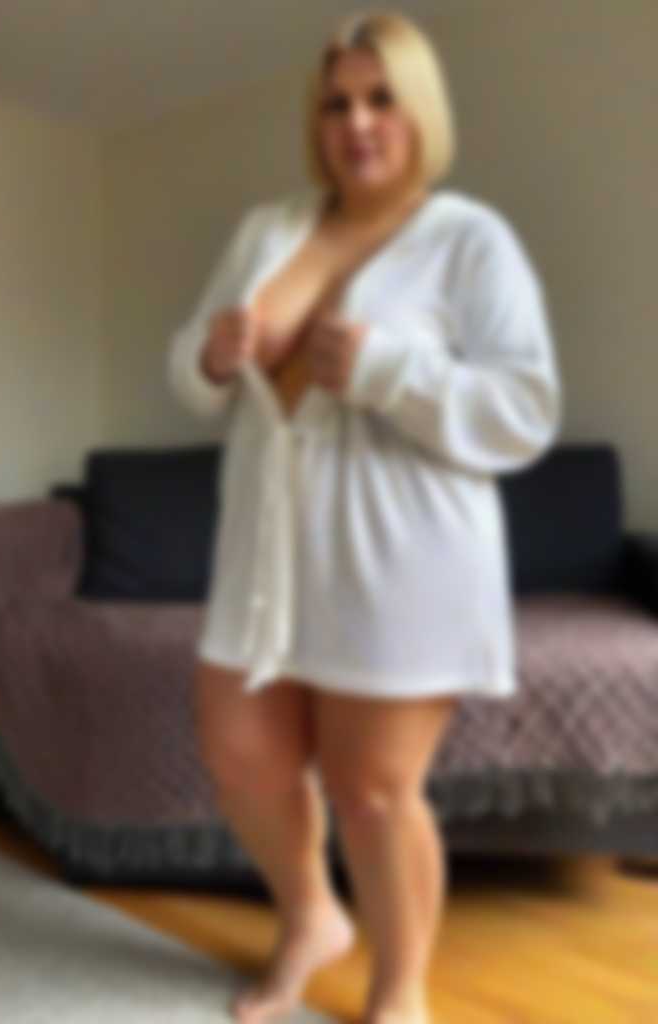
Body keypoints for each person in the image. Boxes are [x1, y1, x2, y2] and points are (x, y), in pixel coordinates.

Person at [166, 9, 563, 1024]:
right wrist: (208, 357)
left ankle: (399, 990)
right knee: (239, 753)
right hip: (267, 550)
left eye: (382, 98)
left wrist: (389, 372)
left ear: (421, 109)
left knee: (373, 792)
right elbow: (191, 363)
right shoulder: (268, 229)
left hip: (403, 556)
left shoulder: (470, 239)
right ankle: (311, 916)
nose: (357, 123)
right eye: (336, 103)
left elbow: (526, 409)